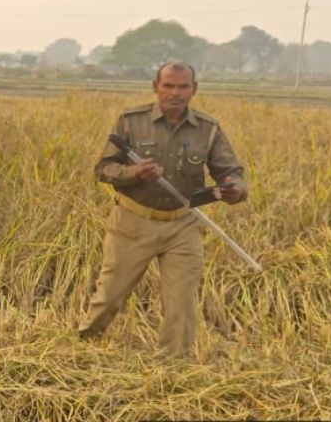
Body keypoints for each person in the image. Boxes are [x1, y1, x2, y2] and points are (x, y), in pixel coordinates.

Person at [78, 61, 247, 357]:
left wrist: (234, 189)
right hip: (132, 221)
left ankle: (172, 368)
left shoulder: (208, 130)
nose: (175, 93)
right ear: (156, 87)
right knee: (110, 296)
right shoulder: (130, 121)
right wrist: (134, 174)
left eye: (183, 87)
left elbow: (230, 172)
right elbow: (103, 169)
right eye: (168, 86)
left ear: (194, 90)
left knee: (181, 301)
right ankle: (83, 346)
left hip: (182, 224)